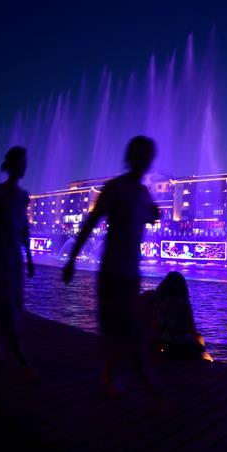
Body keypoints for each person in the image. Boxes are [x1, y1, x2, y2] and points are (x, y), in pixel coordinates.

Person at [63, 136, 160, 397]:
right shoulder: (115, 188)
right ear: (131, 157)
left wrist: (154, 214)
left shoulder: (142, 193)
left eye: (148, 156)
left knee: (125, 328)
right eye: (141, 155)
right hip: (113, 271)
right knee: (126, 328)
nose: (145, 161)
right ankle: (152, 393)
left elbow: (150, 216)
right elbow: (91, 222)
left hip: (131, 273)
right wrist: (72, 259)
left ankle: (110, 375)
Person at [0, 146, 36, 380]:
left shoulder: (24, 196)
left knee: (14, 306)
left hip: (15, 260)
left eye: (26, 162)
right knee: (7, 308)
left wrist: (30, 258)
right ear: (12, 165)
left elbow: (24, 229)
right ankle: (23, 363)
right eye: (21, 161)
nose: (25, 166)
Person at [139, 271, 212, 361]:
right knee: (199, 339)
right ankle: (210, 362)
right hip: (176, 346)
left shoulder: (154, 299)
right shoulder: (183, 303)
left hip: (156, 343)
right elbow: (192, 330)